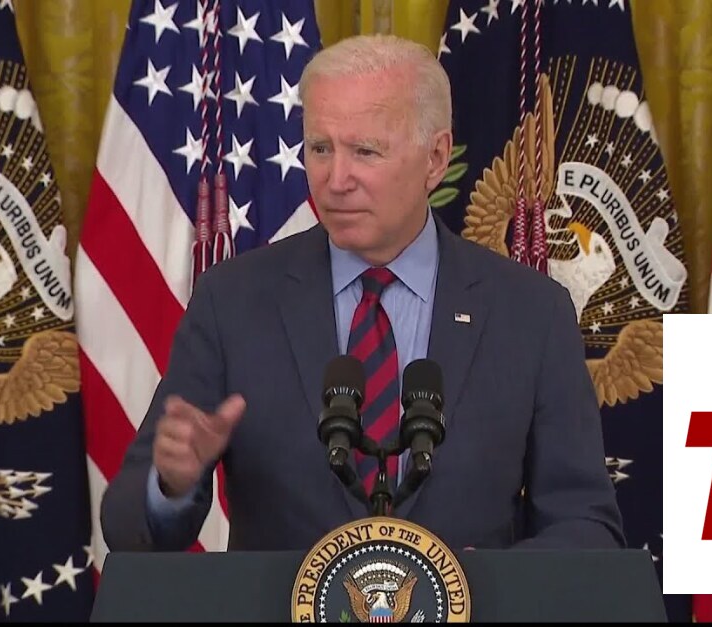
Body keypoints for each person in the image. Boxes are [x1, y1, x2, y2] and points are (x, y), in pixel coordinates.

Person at [100, 34, 624, 553]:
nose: (336, 179)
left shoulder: (530, 313)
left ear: (436, 158)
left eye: (365, 151)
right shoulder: (234, 302)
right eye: (320, 149)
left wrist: (485, 584)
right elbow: (126, 528)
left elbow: (588, 526)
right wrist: (170, 486)